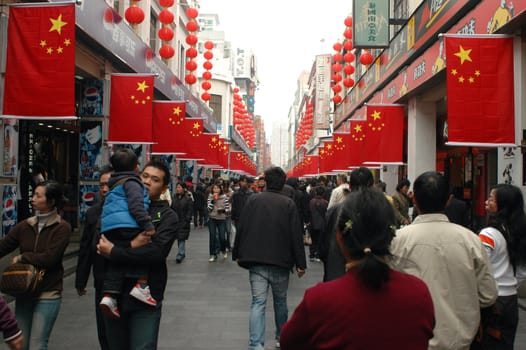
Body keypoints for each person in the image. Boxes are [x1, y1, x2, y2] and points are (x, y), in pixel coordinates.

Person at [280, 189, 435, 349]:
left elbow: (289, 342)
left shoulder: (320, 300)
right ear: (391, 234)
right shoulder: (418, 293)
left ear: (339, 236)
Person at [390, 171, 498, 349]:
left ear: (414, 199)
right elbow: (488, 295)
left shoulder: (397, 241)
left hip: (411, 339)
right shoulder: (470, 240)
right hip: (459, 341)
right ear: (449, 200)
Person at [97, 160, 179, 350]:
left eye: (155, 179)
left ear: (164, 187)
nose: (148, 182)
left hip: (147, 296)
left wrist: (115, 251)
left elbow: (155, 253)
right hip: (113, 294)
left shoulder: (168, 216)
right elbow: (101, 242)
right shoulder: (119, 203)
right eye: (145, 176)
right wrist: (132, 245)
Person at [232, 166, 307, 350]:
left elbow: (242, 226)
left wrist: (237, 252)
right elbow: (295, 235)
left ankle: (256, 344)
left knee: (258, 302)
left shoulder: (253, 200)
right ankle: (281, 337)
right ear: (282, 183)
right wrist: (300, 263)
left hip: (256, 260)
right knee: (280, 302)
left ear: (265, 181)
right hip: (281, 261)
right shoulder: (288, 204)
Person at [0, 180, 71, 350]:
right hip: (24, 289)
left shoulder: (62, 228)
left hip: (48, 291)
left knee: (38, 344)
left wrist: (24, 257)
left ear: (51, 201)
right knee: (20, 344)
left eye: (38, 196)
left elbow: (50, 258)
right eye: (34, 195)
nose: (33, 199)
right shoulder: (25, 225)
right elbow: (4, 246)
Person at [99, 148, 156, 318]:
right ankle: (142, 285)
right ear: (136, 168)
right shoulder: (132, 182)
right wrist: (147, 225)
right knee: (144, 246)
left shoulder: (114, 183)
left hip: (110, 227)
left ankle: (110, 295)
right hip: (128, 224)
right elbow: (136, 206)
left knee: (116, 258)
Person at [478, 184, 526, 349]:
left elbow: (480, 268)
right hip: (511, 300)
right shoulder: (517, 231)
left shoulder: (489, 234)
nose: (486, 201)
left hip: (492, 301)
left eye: (491, 198)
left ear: (502, 205)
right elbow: (522, 272)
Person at [75, 165, 113, 350]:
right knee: (103, 328)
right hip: (100, 278)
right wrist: (81, 279)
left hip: (123, 279)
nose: (104, 189)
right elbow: (85, 249)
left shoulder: (133, 211)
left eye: (108, 185)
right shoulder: (93, 212)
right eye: (101, 185)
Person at [322, 167, 373, 281]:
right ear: (372, 186)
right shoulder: (380, 211)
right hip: (371, 276)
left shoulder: (334, 211)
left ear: (350, 186)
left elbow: (324, 244)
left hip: (337, 271)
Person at [207, 182, 230, 262]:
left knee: (222, 237)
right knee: (212, 237)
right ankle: (212, 254)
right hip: (212, 218)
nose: (216, 190)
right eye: (214, 188)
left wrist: (223, 210)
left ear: (220, 189)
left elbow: (228, 210)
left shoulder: (224, 197)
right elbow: (208, 209)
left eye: (217, 188)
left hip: (221, 219)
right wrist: (213, 200)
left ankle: (223, 250)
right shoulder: (210, 196)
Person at [171, 182, 193, 264]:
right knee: (175, 237)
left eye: (179, 187)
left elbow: (190, 211)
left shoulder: (188, 199)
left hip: (183, 221)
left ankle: (180, 254)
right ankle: (181, 253)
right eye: (177, 187)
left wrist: (187, 219)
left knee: (181, 238)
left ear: (184, 188)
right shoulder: (174, 198)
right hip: (175, 221)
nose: (178, 189)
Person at [308, 185, 328, 262]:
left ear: (316, 193)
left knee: (313, 239)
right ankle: (318, 254)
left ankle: (312, 254)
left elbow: (308, 212)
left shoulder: (311, 201)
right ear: (323, 193)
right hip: (322, 224)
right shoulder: (325, 202)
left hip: (312, 223)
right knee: (320, 240)